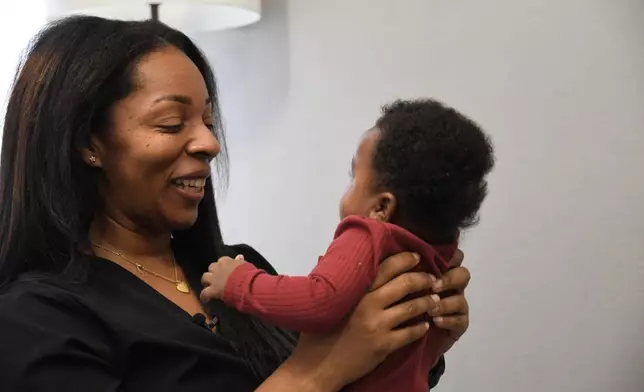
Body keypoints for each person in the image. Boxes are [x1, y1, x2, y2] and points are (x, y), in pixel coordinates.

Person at [0, 16, 472, 392]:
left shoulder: (238, 269)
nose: (209, 142)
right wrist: (316, 374)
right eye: (170, 123)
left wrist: (416, 342)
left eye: (208, 120)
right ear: (88, 142)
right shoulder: (38, 318)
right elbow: (325, 375)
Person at [200, 99, 494, 391]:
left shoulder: (366, 234)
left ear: (381, 207)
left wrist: (239, 282)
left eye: (352, 178)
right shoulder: (440, 253)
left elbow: (318, 300)